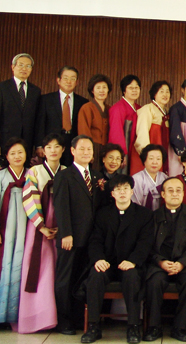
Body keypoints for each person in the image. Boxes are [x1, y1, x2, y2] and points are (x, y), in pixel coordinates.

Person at [81, 175, 154, 344]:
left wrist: (133, 261)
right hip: (108, 262)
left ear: (132, 191)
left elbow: (146, 242)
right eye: (118, 189)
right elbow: (95, 240)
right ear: (112, 193)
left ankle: (133, 326)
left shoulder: (144, 214)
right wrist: (98, 259)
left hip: (131, 263)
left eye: (126, 189)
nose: (122, 192)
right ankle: (93, 326)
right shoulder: (102, 214)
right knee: (95, 276)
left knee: (132, 277)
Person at [143, 177, 186, 343]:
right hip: (159, 263)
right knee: (154, 281)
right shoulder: (153, 217)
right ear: (163, 194)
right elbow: (147, 246)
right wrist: (160, 262)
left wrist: (182, 263)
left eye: (178, 190)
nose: (175, 194)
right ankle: (154, 327)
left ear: (183, 194)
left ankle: (180, 327)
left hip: (185, 264)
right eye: (170, 190)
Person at [53, 135, 102, 335]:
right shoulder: (64, 176)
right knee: (66, 280)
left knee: (84, 281)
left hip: (92, 240)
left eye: (89, 149)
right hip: (71, 238)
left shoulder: (97, 176)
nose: (86, 152)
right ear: (72, 151)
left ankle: (78, 318)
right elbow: (61, 206)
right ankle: (63, 321)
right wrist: (66, 233)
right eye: (81, 149)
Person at [18, 134, 65, 333]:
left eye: (57, 146)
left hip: (61, 228)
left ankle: (57, 317)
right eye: (49, 147)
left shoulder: (67, 172)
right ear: (43, 151)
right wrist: (41, 226)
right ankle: (35, 318)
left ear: (64, 150)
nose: (53, 150)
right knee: (38, 270)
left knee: (58, 270)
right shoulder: (35, 172)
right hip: (39, 226)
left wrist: (62, 228)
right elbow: (29, 199)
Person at [0, 138, 29, 325]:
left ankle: (21, 314)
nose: (17, 156)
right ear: (6, 157)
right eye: (13, 153)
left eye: (20, 152)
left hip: (28, 225)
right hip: (6, 227)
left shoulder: (32, 174)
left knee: (23, 262)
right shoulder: (1, 176)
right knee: (5, 263)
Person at [35, 65, 87, 167]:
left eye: (73, 79)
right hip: (52, 144)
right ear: (58, 80)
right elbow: (40, 124)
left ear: (77, 82)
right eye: (66, 78)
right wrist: (40, 145)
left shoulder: (83, 102)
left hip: (73, 143)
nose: (69, 81)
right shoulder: (46, 99)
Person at [0, 54, 41, 163]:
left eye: (28, 66)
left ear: (31, 69)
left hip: (27, 141)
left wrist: (38, 145)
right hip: (6, 139)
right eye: (21, 65)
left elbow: (37, 120)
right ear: (13, 67)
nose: (24, 69)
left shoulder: (35, 91)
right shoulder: (3, 88)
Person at [132, 81, 172, 175]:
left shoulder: (167, 112)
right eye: (161, 91)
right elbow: (142, 135)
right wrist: (148, 156)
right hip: (148, 155)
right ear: (154, 94)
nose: (165, 94)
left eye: (167, 91)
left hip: (161, 153)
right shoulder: (147, 109)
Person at [108, 75, 141, 175]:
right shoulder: (117, 108)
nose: (134, 90)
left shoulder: (139, 108)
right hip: (124, 150)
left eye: (137, 87)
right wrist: (121, 155)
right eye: (131, 88)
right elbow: (116, 133)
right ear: (124, 90)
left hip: (134, 151)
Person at [78, 74, 112, 171]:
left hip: (107, 149)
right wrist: (87, 151)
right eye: (98, 88)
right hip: (93, 148)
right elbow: (83, 131)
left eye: (104, 87)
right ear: (92, 90)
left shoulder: (110, 109)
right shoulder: (87, 108)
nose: (102, 90)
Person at [131, 144, 168, 212]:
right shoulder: (137, 179)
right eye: (151, 158)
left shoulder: (165, 178)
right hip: (142, 216)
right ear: (144, 160)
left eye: (158, 159)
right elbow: (135, 204)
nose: (155, 162)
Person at [97, 143, 125, 209]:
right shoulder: (95, 176)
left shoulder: (122, 179)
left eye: (118, 159)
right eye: (110, 157)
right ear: (103, 159)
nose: (114, 162)